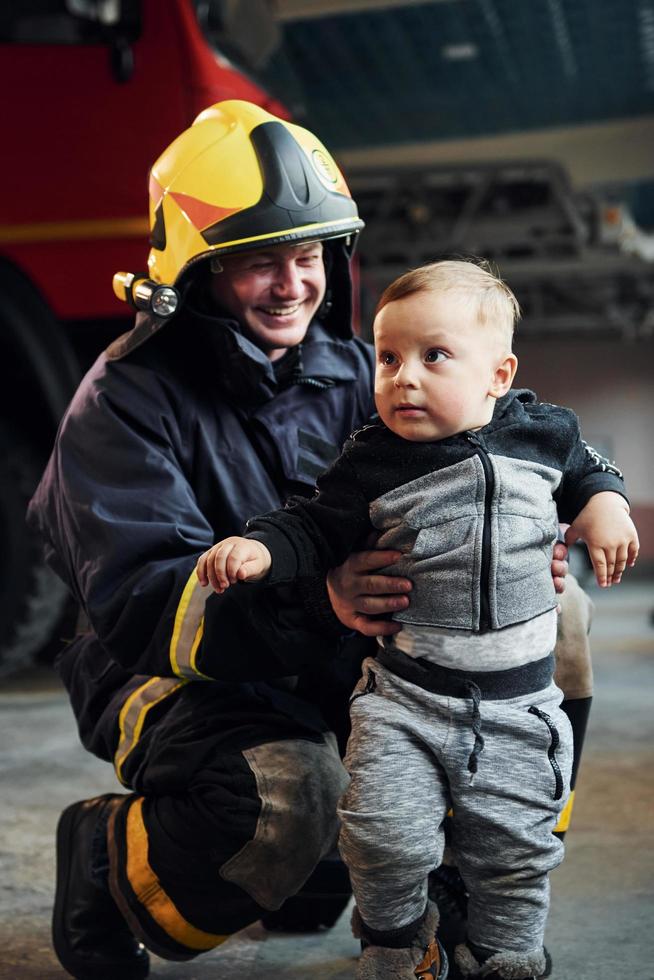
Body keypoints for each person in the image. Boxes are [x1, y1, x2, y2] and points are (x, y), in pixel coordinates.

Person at [26, 100, 571, 980]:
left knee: (561, 620)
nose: (292, 286)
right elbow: (143, 608)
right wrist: (319, 601)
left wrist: (519, 539)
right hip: (159, 668)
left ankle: (472, 894)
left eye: (308, 255)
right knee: (290, 795)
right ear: (194, 272)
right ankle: (107, 859)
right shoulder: (122, 402)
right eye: (256, 263)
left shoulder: (363, 370)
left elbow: (483, 470)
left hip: (327, 644)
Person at [197, 260, 638, 980]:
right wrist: (261, 547)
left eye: (435, 356)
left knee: (516, 850)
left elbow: (588, 472)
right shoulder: (374, 460)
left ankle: (505, 952)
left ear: (498, 374)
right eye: (390, 357)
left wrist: (606, 506)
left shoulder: (542, 431)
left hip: (520, 706)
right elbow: (312, 525)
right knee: (381, 836)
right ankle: (399, 940)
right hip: (407, 699)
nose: (405, 377)